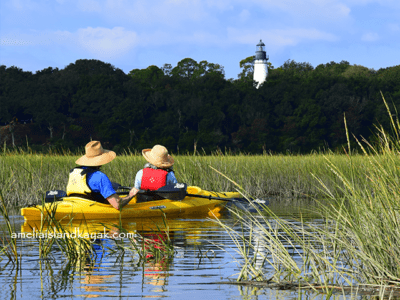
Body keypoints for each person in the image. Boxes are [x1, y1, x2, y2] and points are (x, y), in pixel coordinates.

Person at [66, 141, 138, 210]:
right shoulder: (100, 176)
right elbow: (117, 205)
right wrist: (131, 195)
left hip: (74, 206)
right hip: (92, 210)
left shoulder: (74, 172)